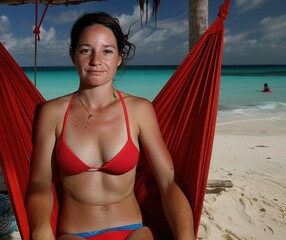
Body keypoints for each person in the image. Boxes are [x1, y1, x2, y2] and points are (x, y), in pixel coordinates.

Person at [25, 12, 195, 240]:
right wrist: (40, 230)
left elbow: (168, 181)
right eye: (86, 50)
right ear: (72, 55)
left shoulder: (139, 110)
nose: (96, 61)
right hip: (75, 235)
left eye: (107, 51)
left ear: (119, 58)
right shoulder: (52, 113)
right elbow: (39, 184)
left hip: (134, 233)